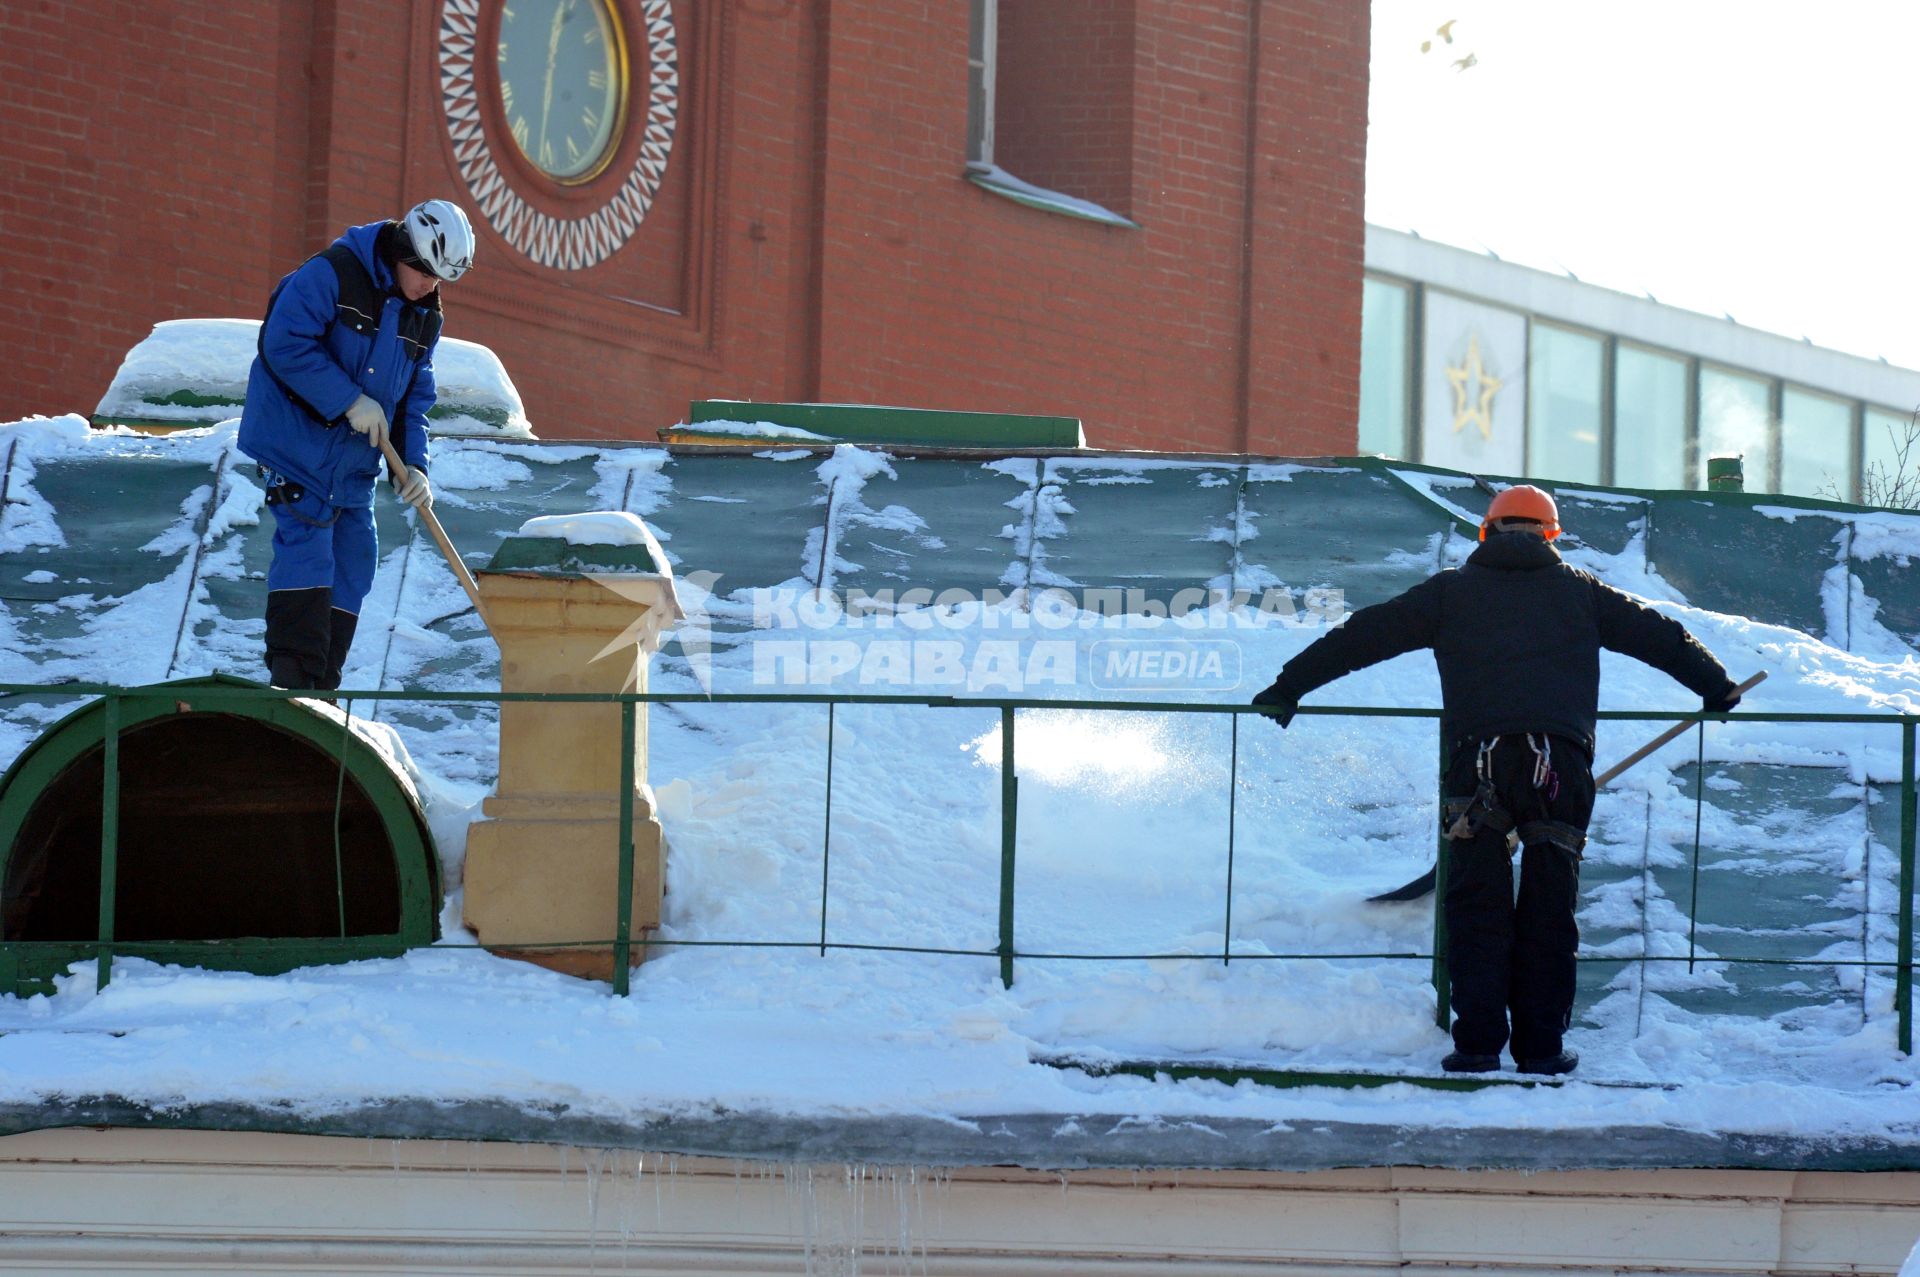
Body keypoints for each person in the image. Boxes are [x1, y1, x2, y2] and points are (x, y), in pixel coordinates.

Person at [1250, 485, 1740, 1076]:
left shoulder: (1450, 593)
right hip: (1556, 768)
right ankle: (1542, 1050)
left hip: (1475, 767)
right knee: (1549, 907)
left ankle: (1477, 1044)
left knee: (1476, 908)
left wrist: (1288, 686)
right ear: (1551, 535)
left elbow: (1362, 637)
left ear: (1486, 532)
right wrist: (1716, 685)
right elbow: (1661, 636)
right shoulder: (1583, 594)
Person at [238, 200, 475, 691]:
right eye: (427, 273)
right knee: (308, 544)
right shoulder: (333, 274)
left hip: (351, 465)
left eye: (441, 280)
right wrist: (348, 400)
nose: (432, 287)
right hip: (298, 448)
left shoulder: (423, 317)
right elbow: (283, 342)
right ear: (404, 254)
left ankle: (322, 680)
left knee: (356, 555)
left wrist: (415, 465)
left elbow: (414, 399)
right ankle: (294, 679)